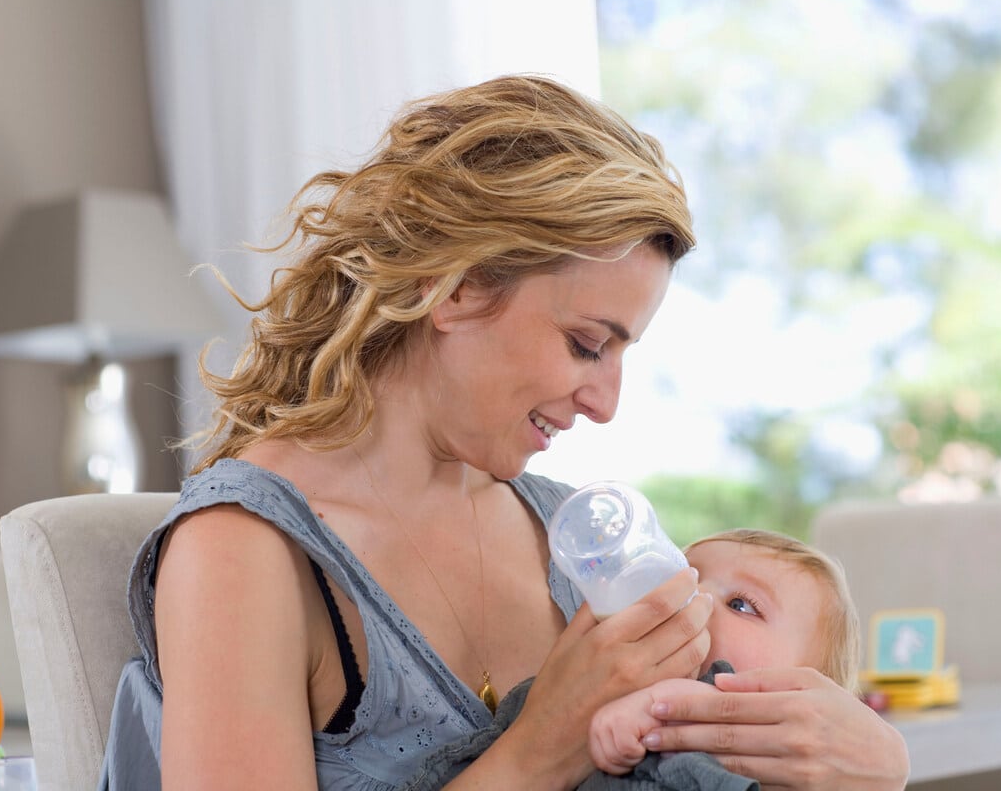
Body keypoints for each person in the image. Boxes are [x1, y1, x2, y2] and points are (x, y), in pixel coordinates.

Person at [98, 74, 909, 790]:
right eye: (587, 345)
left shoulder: (568, 530)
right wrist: (541, 749)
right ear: (454, 290)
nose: (605, 403)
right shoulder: (246, 553)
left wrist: (874, 766)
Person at [588, 529, 861, 778]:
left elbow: (710, 708)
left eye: (739, 605)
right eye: (682, 577)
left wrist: (651, 705)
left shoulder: (776, 741)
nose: (696, 594)